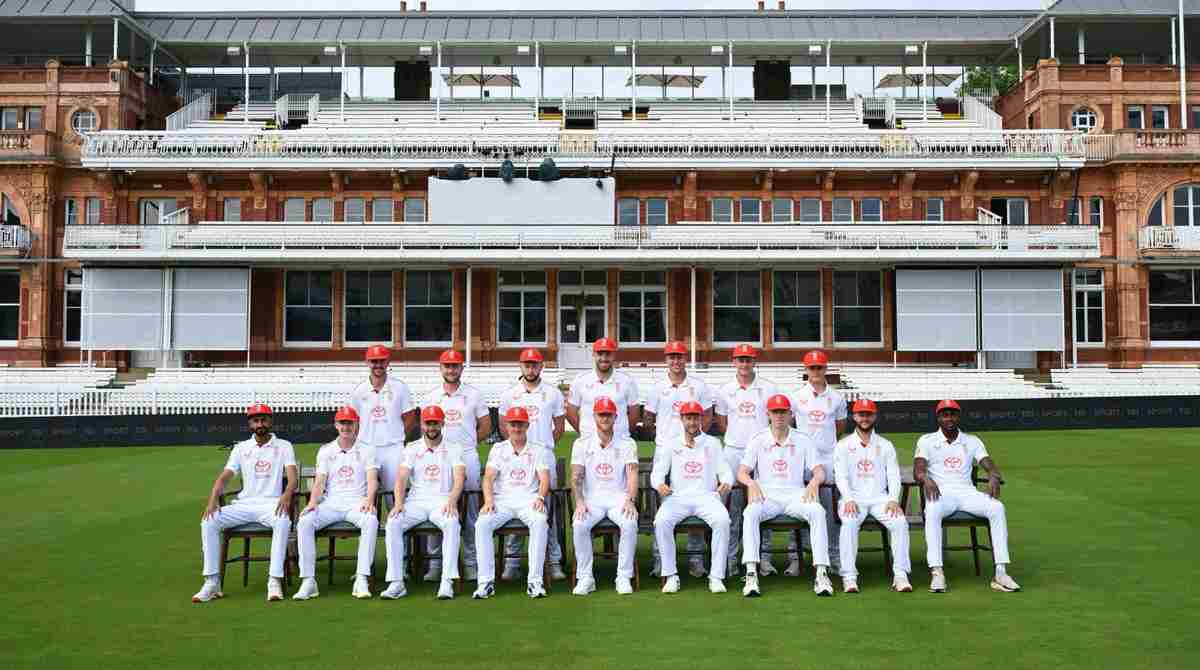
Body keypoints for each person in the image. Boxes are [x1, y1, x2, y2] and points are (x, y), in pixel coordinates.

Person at [194, 403, 297, 603]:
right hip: (244, 505)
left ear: (271, 421)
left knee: (283, 522)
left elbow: (292, 478)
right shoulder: (241, 448)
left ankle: (274, 580)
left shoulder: (284, 446)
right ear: (250, 423)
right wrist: (213, 497)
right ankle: (212, 582)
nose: (260, 423)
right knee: (209, 521)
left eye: (264, 419)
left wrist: (286, 495)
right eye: (256, 420)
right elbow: (225, 476)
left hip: (271, 504)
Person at [915, 400, 1021, 594]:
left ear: (959, 416)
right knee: (933, 509)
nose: (949, 418)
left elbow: (987, 462)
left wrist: (993, 475)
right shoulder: (927, 440)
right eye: (945, 414)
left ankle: (1001, 572)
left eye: (953, 414)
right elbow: (919, 469)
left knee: (997, 508)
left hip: (968, 492)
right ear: (938, 417)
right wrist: (925, 478)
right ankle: (937, 572)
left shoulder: (972, 440)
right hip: (942, 493)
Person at [739, 394, 834, 598]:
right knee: (750, 514)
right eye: (775, 412)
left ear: (790, 414)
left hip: (795, 495)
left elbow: (819, 470)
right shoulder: (758, 439)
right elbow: (742, 472)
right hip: (767, 496)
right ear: (768, 414)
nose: (779, 416)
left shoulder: (803, 439)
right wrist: (751, 482)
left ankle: (821, 573)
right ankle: (751, 573)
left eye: (783, 412)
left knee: (817, 511)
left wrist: (815, 482)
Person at [293, 406, 379, 601]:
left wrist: (369, 500)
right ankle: (308, 581)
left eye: (350, 423)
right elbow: (320, 481)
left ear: (356, 424)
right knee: (305, 521)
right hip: (331, 504)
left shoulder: (367, 450)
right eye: (342, 423)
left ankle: (362, 578)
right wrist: (313, 502)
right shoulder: (326, 451)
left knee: (371, 521)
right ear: (336, 425)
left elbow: (372, 479)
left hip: (357, 504)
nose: (346, 427)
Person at [644, 341, 715, 578]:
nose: (676, 361)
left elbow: (707, 416)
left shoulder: (698, 386)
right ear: (666, 359)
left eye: (680, 357)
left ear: (685, 359)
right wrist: (664, 440)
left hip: (694, 449)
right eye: (671, 357)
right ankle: (660, 559)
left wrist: (697, 439)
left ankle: (695, 559)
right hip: (667, 450)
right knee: (662, 503)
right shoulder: (657, 388)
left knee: (696, 494)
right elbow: (648, 417)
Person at [382, 405, 465, 601]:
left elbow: (460, 477)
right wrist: (399, 503)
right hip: (416, 503)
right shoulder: (412, 449)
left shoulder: (454, 448)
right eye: (428, 423)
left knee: (452, 523)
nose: (432, 427)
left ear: (442, 423)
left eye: (435, 423)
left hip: (442, 502)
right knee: (393, 522)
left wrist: (452, 500)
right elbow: (401, 479)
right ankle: (396, 582)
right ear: (422, 424)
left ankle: (447, 581)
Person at [498, 348, 567, 581]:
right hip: (516, 456)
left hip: (543, 455)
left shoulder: (553, 393)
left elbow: (558, 429)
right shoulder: (510, 394)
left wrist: (541, 447)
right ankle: (512, 561)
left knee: (547, 510)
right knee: (515, 502)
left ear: (541, 366)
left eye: (535, 364)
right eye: (527, 364)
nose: (531, 368)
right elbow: (502, 427)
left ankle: (554, 561)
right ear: (520, 366)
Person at [651, 401, 732, 594]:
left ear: (701, 419)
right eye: (688, 418)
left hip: (707, 497)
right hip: (678, 498)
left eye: (696, 417)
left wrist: (726, 482)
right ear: (682, 419)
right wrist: (660, 485)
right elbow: (657, 473)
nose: (692, 422)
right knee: (661, 521)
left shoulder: (712, 443)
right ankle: (671, 575)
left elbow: (725, 471)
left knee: (722, 521)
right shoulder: (671, 444)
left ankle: (716, 576)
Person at [473, 407, 553, 600]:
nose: (517, 428)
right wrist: (489, 500)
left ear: (527, 425)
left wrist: (540, 498)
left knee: (540, 522)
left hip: (529, 500)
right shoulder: (498, 449)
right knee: (482, 524)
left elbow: (544, 479)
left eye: (520, 424)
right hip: (503, 501)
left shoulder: (538, 450)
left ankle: (535, 582)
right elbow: (488, 478)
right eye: (513, 424)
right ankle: (485, 583)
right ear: (507, 426)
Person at [832, 399, 912, 594]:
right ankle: (849, 577)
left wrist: (893, 499)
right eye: (861, 414)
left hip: (880, 498)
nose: (865, 418)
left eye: (868, 414)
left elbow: (893, 475)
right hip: (854, 498)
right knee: (849, 523)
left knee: (900, 522)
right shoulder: (843, 445)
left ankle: (900, 575)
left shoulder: (885, 445)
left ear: (875, 416)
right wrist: (848, 498)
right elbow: (840, 476)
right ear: (854, 416)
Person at [713, 343, 779, 577]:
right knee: (731, 505)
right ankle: (729, 559)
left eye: (748, 360)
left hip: (763, 452)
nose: (744, 364)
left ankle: (765, 559)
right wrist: (738, 441)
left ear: (754, 362)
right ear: (733, 362)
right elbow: (721, 422)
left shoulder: (768, 388)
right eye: (740, 360)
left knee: (763, 502)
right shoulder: (724, 390)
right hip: (733, 451)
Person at [424, 349, 490, 582]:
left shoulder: (473, 395)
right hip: (439, 457)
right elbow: (426, 428)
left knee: (471, 511)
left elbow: (485, 426)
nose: (451, 370)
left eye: (455, 366)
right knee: (439, 505)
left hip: (467, 456)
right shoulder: (431, 396)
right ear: (440, 368)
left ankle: (471, 563)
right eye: (447, 366)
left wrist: (467, 444)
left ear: (462, 368)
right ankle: (435, 564)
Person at [569, 397, 640, 596]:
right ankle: (585, 578)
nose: (605, 418)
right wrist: (580, 501)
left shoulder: (627, 443)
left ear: (616, 417)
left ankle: (624, 577)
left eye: (609, 414)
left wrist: (630, 500)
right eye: (601, 414)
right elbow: (575, 475)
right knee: (580, 523)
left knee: (629, 523)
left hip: (618, 498)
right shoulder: (582, 444)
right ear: (594, 416)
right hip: (592, 499)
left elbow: (632, 474)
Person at [786, 349, 847, 576]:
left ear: (825, 369)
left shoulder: (837, 398)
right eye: (811, 367)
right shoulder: (796, 396)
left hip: (828, 459)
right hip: (801, 461)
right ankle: (795, 557)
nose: (815, 371)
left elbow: (839, 428)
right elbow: (790, 426)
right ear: (806, 370)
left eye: (819, 367)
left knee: (830, 511)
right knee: (798, 508)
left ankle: (833, 556)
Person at [349, 345, 417, 494]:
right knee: (363, 492)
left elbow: (410, 418)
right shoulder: (359, 391)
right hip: (366, 447)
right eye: (374, 361)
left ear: (387, 362)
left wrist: (398, 437)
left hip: (393, 448)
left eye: (381, 361)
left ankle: (395, 517)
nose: (378, 365)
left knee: (394, 494)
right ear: (367, 362)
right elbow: (353, 421)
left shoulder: (400, 387)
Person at [565, 337, 640, 440]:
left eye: (608, 354)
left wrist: (622, 433)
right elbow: (570, 412)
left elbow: (634, 412)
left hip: (619, 442)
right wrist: (585, 433)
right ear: (594, 354)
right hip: (589, 443)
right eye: (600, 354)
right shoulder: (580, 380)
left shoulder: (627, 381)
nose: (604, 358)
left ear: (613, 355)